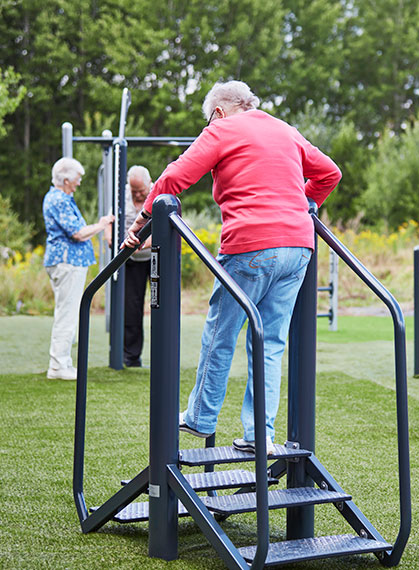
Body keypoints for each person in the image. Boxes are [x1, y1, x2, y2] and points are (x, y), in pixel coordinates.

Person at [123, 80, 341, 454]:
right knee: (270, 342)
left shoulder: (223, 128)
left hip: (252, 244)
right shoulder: (285, 129)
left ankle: (200, 417)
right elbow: (329, 173)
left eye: (208, 120)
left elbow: (176, 177)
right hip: (299, 247)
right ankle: (260, 435)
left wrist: (142, 220)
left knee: (221, 332)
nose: (208, 126)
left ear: (219, 112)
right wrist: (301, 205)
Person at [43, 157, 114, 380]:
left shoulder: (61, 198)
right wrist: (102, 225)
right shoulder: (59, 200)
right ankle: (58, 366)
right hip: (67, 263)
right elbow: (77, 233)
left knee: (67, 312)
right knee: (67, 314)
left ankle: (62, 362)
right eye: (77, 179)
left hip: (67, 263)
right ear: (65, 180)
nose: (79, 183)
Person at [105, 165, 153, 367]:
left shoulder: (158, 193)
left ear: (149, 184)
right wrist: (110, 239)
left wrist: (140, 244)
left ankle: (163, 354)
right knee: (131, 307)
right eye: (134, 192)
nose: (138, 195)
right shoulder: (121, 194)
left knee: (162, 305)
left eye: (141, 191)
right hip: (130, 258)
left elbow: (166, 230)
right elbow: (110, 221)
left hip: (155, 255)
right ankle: (131, 356)